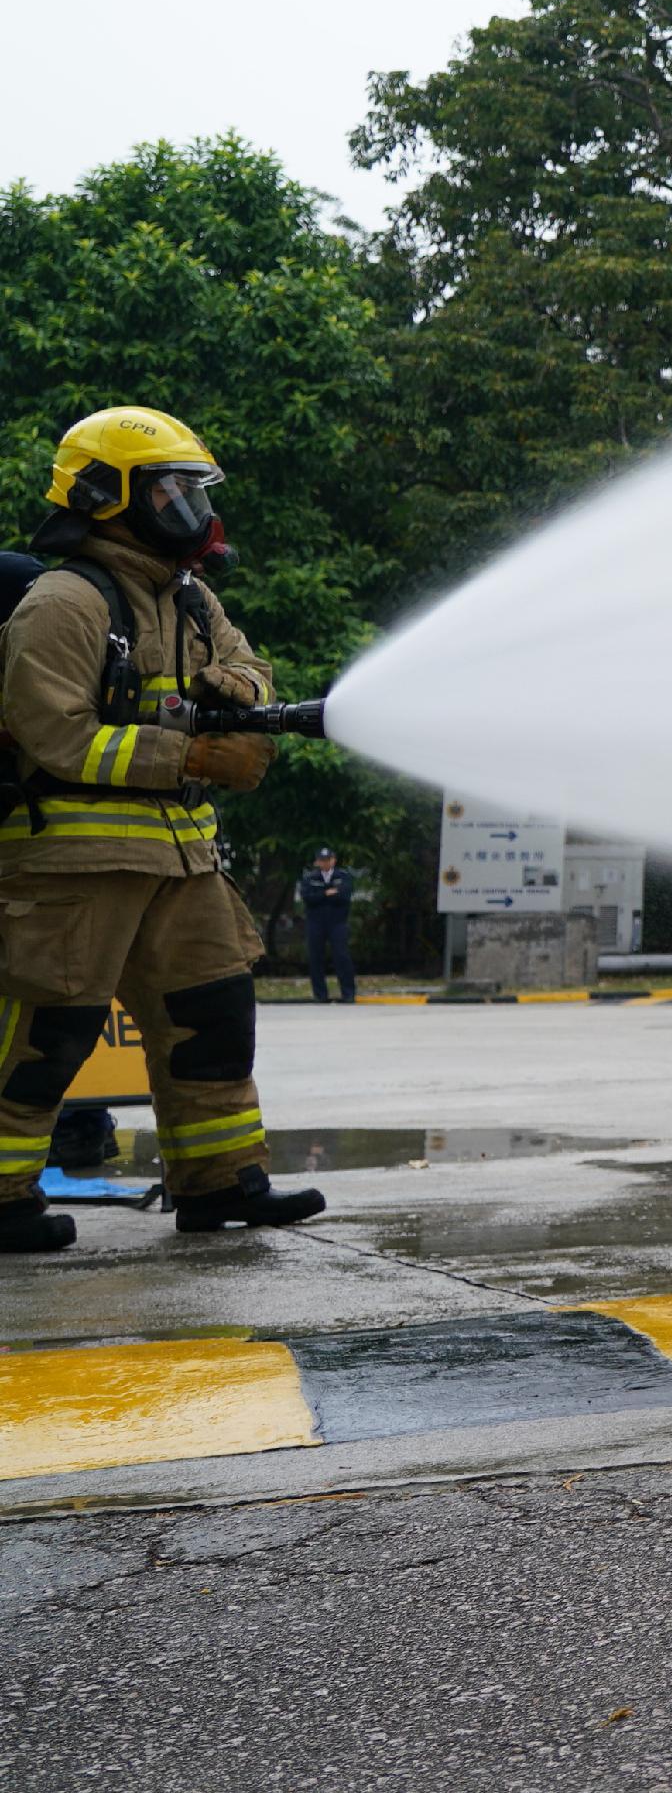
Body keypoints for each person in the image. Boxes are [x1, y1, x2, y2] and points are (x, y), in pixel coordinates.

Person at [0, 407, 324, 1252]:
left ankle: (220, 1181)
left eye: (192, 489)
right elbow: (56, 736)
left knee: (213, 1017)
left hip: (185, 859)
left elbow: (253, 668)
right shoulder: (62, 601)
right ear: (109, 493)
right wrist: (187, 756)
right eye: (171, 488)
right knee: (48, 1032)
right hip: (73, 863)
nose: (189, 506)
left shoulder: (190, 596)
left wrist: (234, 690)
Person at [296, 848, 357, 1003]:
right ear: (317, 862)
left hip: (337, 922)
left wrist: (322, 896)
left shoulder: (342, 876)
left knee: (342, 956)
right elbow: (308, 898)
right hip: (316, 923)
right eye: (322, 860)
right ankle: (320, 995)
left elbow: (344, 896)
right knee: (316, 958)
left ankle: (348, 993)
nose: (325, 863)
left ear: (333, 860)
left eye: (328, 859)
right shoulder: (310, 878)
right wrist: (326, 894)